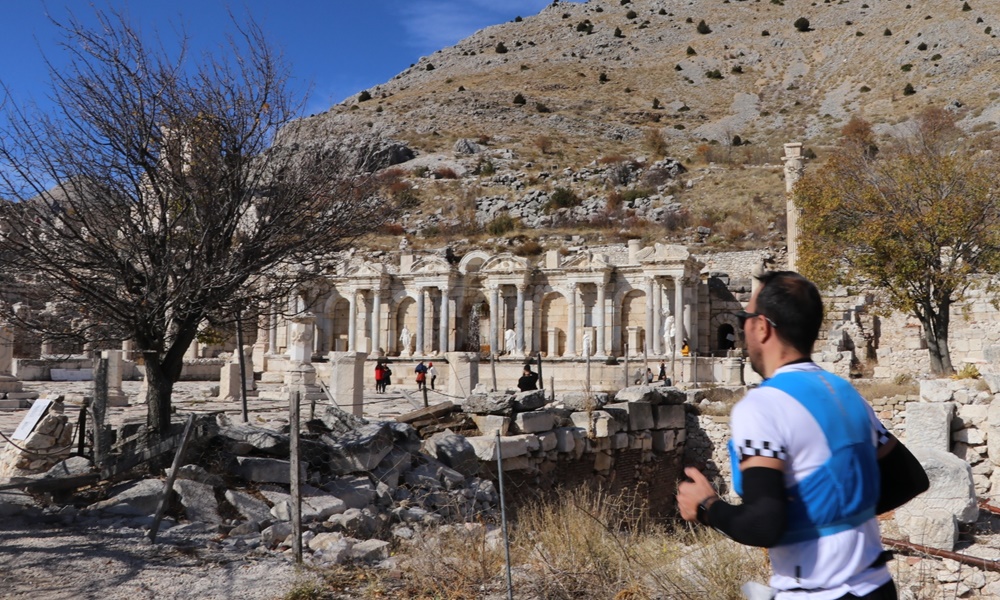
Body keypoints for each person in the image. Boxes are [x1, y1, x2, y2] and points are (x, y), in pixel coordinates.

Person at [676, 271, 928, 599]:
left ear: (762, 326)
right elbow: (909, 479)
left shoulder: (763, 405)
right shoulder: (845, 393)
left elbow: (762, 524)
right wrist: (836, 516)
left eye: (744, 318)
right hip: (876, 585)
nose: (742, 328)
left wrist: (707, 505)